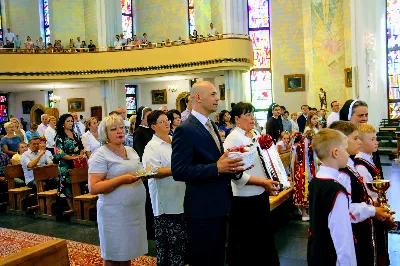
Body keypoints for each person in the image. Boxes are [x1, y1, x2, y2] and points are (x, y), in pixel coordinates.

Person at [172, 81, 245, 266]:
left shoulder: (211, 124)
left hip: (219, 204)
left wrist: (233, 167)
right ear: (198, 97)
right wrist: (217, 168)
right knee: (204, 260)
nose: (217, 98)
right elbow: (179, 170)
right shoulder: (185, 129)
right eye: (212, 94)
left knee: (217, 259)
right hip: (201, 209)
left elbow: (217, 162)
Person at [223, 102, 280, 266]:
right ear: (236, 119)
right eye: (247, 115)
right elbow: (236, 173)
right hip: (245, 197)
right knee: (246, 242)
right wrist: (263, 182)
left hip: (260, 192)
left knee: (262, 237)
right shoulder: (233, 138)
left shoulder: (255, 133)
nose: (252, 118)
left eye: (252, 114)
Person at [330, 121, 394, 266]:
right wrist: (373, 209)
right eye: (355, 138)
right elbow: (346, 209)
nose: (358, 142)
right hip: (355, 226)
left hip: (363, 218)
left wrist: (376, 205)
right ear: (343, 142)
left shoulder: (350, 165)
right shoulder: (343, 172)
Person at [88, 115, 147, 265]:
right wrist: (122, 179)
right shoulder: (100, 154)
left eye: (121, 127)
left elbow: (139, 171)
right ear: (105, 134)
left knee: (128, 252)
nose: (120, 131)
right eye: (113, 129)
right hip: (114, 213)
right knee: (114, 254)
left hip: (134, 212)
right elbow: (93, 187)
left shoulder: (130, 150)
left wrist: (145, 175)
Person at [143, 110, 187, 266]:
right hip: (166, 202)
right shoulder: (152, 147)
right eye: (162, 122)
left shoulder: (175, 140)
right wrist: (179, 170)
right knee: (170, 247)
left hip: (181, 196)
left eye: (167, 120)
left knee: (182, 245)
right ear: (153, 126)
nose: (167, 123)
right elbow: (152, 172)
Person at [307, 128, 356, 266]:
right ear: (335, 153)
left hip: (316, 251)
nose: (348, 154)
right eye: (345, 150)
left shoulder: (316, 180)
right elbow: (342, 238)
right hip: (330, 256)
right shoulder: (336, 190)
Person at [339, 100, 384, 178]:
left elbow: (377, 167)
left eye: (366, 115)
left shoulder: (368, 135)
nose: (365, 118)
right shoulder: (342, 141)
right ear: (349, 116)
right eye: (360, 115)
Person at [54, 114, 84, 211]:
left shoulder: (75, 135)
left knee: (79, 185)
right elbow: (59, 154)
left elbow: (81, 147)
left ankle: (79, 206)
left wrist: (80, 154)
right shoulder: (60, 137)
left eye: (71, 121)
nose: (71, 123)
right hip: (65, 165)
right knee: (67, 188)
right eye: (68, 121)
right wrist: (73, 157)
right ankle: (72, 208)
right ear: (63, 123)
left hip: (77, 164)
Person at [133, 106, 154, 239]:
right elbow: (142, 152)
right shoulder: (139, 132)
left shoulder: (151, 130)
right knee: (147, 200)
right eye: (148, 117)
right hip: (146, 169)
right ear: (142, 118)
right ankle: (147, 228)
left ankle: (152, 225)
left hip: (153, 168)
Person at [292, 130, 318, 220]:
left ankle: (304, 213)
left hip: (300, 171)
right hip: (311, 170)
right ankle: (310, 212)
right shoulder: (312, 146)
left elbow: (297, 159)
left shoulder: (298, 146)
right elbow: (314, 160)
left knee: (302, 190)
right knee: (310, 190)